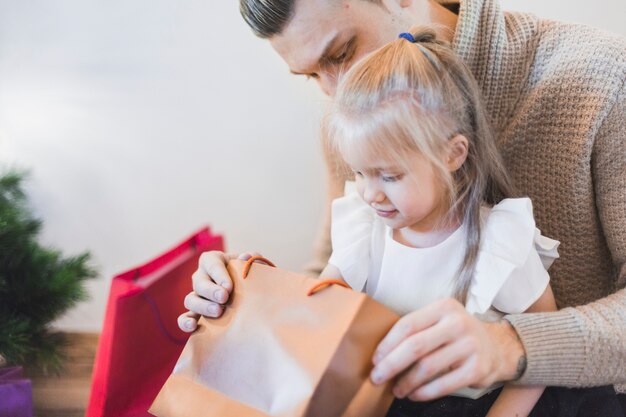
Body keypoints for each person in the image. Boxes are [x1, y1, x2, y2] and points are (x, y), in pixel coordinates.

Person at [179, 0, 626, 407]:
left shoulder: (601, 81)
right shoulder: (353, 124)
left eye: (341, 53)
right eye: (313, 75)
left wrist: (513, 346)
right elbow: (332, 274)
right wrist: (252, 295)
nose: (337, 91)